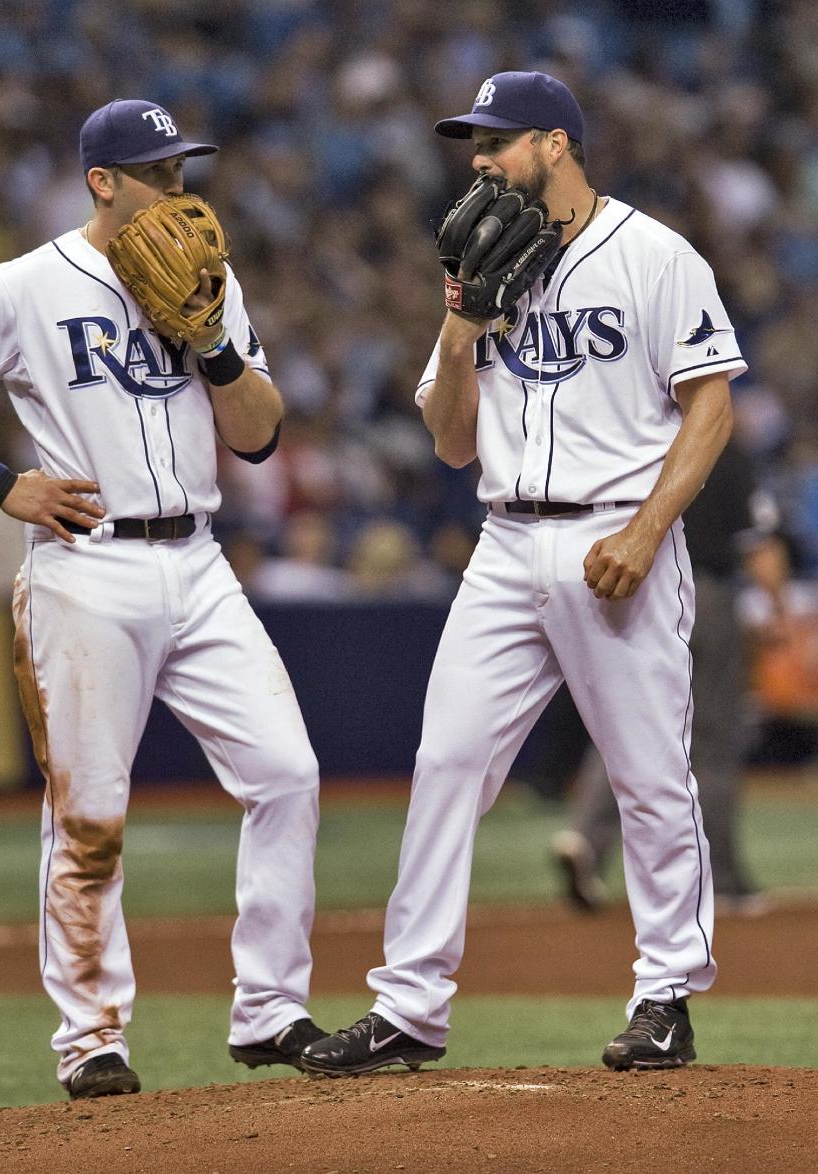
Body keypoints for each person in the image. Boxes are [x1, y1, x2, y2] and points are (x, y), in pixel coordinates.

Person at [0, 98, 326, 1098]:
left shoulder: (211, 279)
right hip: (87, 566)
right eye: (158, 174)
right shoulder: (28, 285)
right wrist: (4, 484)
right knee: (90, 815)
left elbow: (258, 434)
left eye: (182, 170)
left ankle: (270, 1009)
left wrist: (213, 343)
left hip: (199, 564)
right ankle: (91, 1038)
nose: (178, 190)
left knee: (287, 773)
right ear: (102, 182)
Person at [302, 70, 744, 1078]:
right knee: (448, 763)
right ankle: (409, 1005)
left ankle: (666, 995)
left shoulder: (653, 254)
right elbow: (452, 442)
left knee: (646, 777)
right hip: (505, 544)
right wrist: (460, 324)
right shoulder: (478, 268)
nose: (479, 160)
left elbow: (711, 403)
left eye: (497, 141)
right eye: (473, 144)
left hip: (613, 541)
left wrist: (646, 529)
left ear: (555, 144)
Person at [552, 439, 788, 916]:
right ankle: (722, 879)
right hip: (706, 595)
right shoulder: (724, 448)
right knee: (713, 739)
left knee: (629, 728)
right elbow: (758, 545)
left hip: (635, 593)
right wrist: (778, 607)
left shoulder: (637, 435)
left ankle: (585, 840)